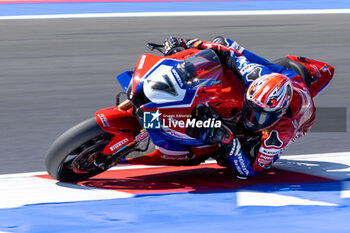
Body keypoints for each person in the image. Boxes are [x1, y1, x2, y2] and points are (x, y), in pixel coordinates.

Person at [161, 36, 334, 178]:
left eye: (261, 116)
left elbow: (252, 169)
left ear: (278, 113)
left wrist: (231, 143)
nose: (251, 118)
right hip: (280, 75)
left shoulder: (283, 130)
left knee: (230, 157)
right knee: (222, 44)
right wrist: (190, 44)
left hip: (300, 119)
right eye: (251, 109)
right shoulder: (254, 74)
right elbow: (230, 53)